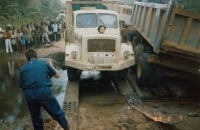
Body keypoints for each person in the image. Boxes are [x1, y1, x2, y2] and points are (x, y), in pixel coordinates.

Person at [19, 49, 70, 130]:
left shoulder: (22, 69)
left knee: (35, 117)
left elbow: (22, 85)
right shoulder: (44, 63)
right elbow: (57, 75)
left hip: (29, 94)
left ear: (26, 58)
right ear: (37, 56)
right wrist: (52, 66)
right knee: (56, 111)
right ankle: (67, 128)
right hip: (43, 91)